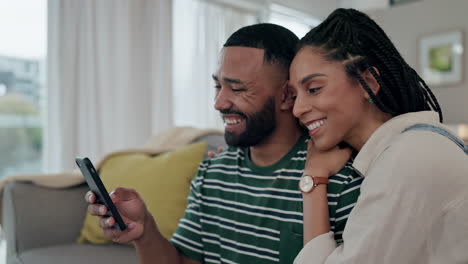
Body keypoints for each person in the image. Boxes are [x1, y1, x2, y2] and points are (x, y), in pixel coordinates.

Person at [86, 23, 360, 264]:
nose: (219, 103)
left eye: (237, 89)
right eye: (218, 86)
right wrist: (144, 232)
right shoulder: (212, 173)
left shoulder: (335, 175)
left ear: (287, 96)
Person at [289, 8, 468, 264]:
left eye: (314, 89)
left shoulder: (410, 157)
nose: (298, 109)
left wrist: (314, 178)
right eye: (295, 95)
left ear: (368, 82)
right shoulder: (401, 149)